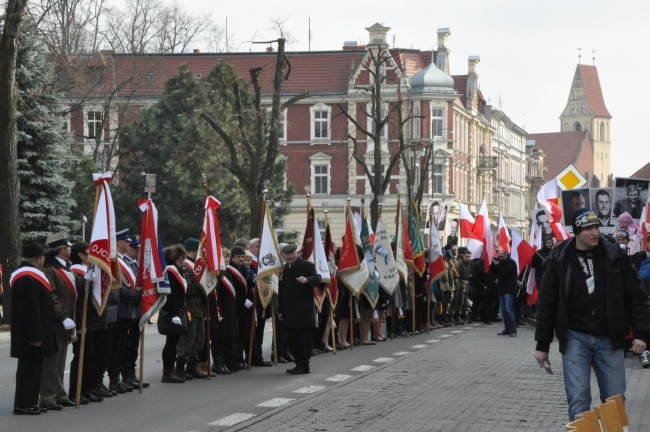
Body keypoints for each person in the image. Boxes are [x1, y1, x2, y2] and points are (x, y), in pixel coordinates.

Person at [533, 209, 650, 420]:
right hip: (575, 337)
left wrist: (641, 333)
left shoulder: (616, 256)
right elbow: (547, 303)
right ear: (577, 231)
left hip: (610, 338)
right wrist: (542, 345)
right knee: (578, 399)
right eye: (588, 228)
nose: (594, 232)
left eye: (596, 227)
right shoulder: (560, 259)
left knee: (615, 400)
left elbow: (637, 296)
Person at [11, 242, 57, 415]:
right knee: (28, 371)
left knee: (35, 370)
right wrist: (36, 336)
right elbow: (30, 310)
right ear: (38, 259)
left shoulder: (31, 276)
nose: (44, 259)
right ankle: (23, 404)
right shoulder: (27, 278)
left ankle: (30, 402)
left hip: (35, 333)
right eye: (43, 257)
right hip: (29, 335)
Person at [40, 232, 77, 411]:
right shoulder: (50, 270)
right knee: (51, 362)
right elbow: (51, 296)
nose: (70, 249)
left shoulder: (66, 268)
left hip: (67, 322)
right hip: (57, 321)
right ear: (61, 249)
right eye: (68, 246)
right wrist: (63, 316)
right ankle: (47, 397)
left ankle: (59, 395)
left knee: (61, 361)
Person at [278, 243, 321, 374]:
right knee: (292, 341)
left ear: (297, 253)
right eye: (287, 254)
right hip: (289, 312)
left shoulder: (306, 265)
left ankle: (304, 365)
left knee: (304, 341)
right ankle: (298, 364)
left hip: (303, 312)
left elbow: (317, 278)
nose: (290, 256)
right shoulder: (284, 269)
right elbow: (282, 291)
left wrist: (307, 280)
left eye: (292, 253)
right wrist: (280, 309)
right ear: (283, 255)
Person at [176, 238, 208, 380]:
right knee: (187, 340)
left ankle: (192, 367)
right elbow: (187, 288)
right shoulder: (185, 267)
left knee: (198, 340)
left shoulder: (195, 265)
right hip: (189, 308)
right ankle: (180, 368)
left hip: (199, 308)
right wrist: (203, 285)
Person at [161, 244, 189, 383]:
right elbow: (169, 294)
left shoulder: (176, 270)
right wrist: (173, 314)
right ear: (179, 257)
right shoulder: (171, 270)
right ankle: (167, 372)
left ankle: (170, 371)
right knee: (171, 343)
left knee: (174, 342)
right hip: (173, 311)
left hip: (178, 309)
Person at [490, 249, 519, 337]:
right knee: (503, 310)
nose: (500, 258)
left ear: (506, 255)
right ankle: (507, 329)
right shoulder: (499, 263)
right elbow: (493, 272)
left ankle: (513, 330)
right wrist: (493, 264)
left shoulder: (511, 263)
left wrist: (497, 264)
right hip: (501, 289)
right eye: (499, 257)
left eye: (502, 256)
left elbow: (505, 272)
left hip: (509, 289)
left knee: (508, 309)